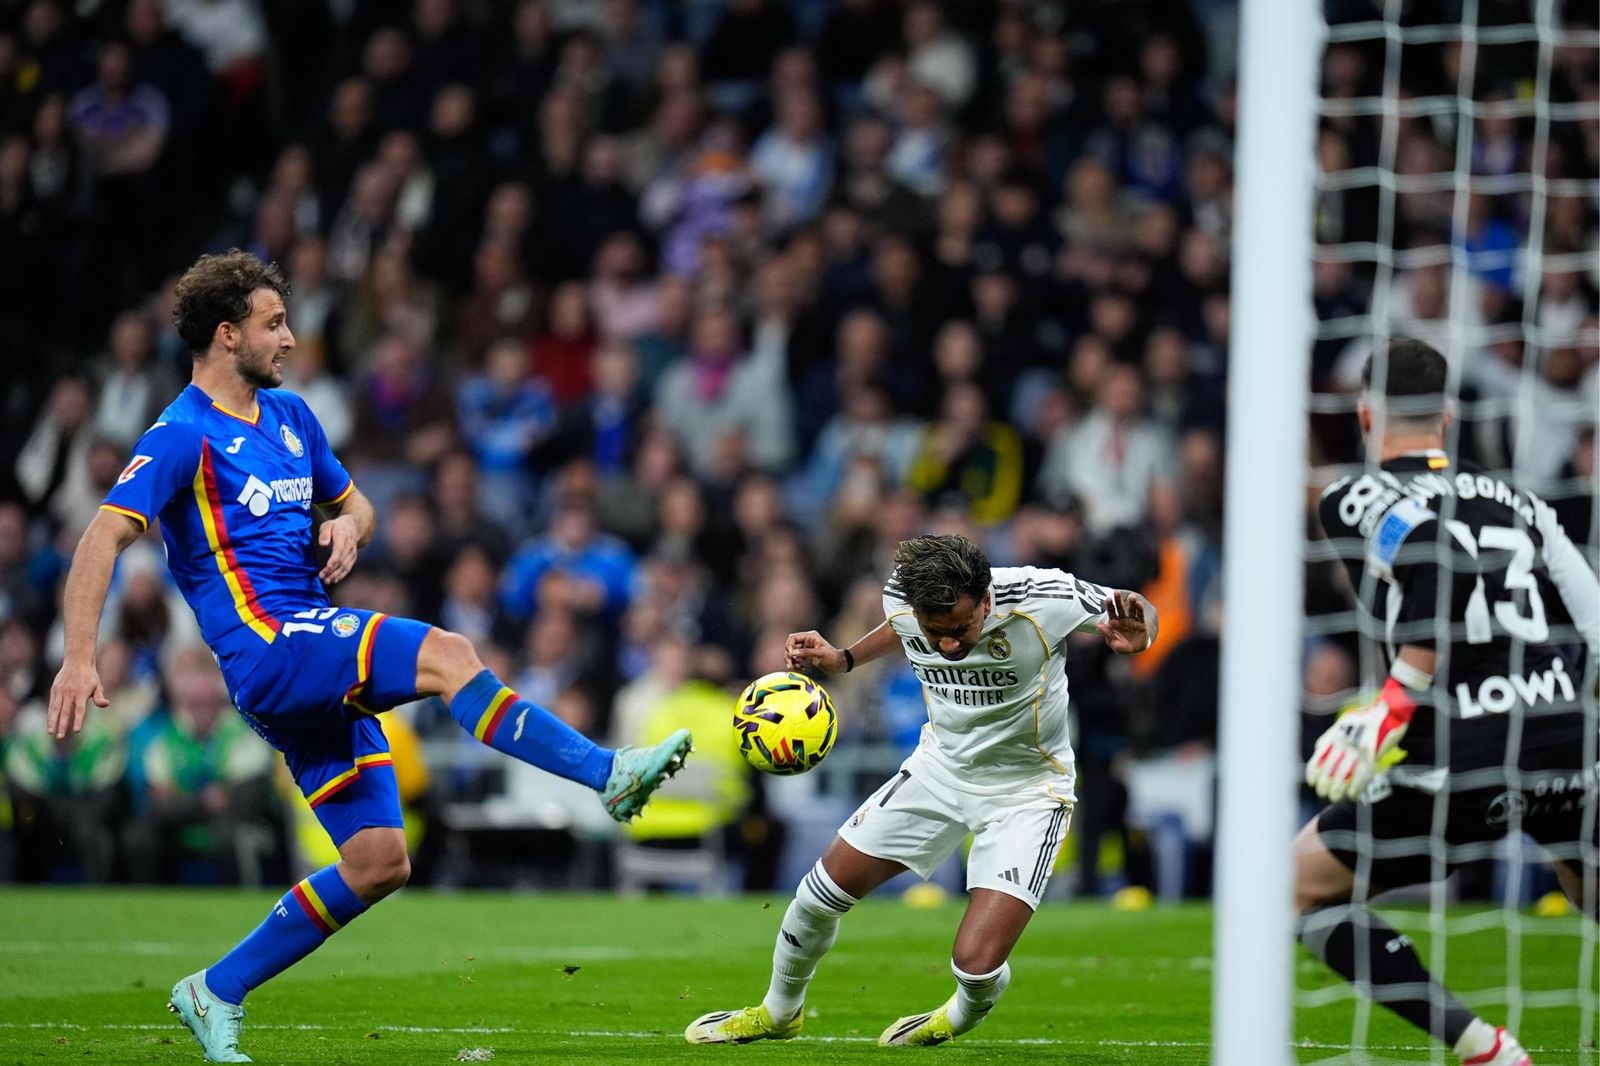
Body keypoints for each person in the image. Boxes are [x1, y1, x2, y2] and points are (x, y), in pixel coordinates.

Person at [46, 250, 693, 1063]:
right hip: (272, 649)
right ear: (225, 334)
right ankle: (610, 774)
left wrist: (349, 527)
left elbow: (359, 507)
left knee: (381, 861)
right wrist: (78, 657)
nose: (288, 338)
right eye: (273, 322)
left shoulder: (293, 419)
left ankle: (215, 990)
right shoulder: (180, 437)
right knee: (451, 653)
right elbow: (102, 533)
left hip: (313, 650)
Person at [685, 532, 1157, 1046]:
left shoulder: (1045, 596)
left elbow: (1135, 611)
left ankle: (955, 1017)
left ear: (988, 599)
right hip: (940, 771)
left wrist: (1144, 632)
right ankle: (779, 1012)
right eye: (937, 633)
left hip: (1028, 791)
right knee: (817, 895)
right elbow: (900, 627)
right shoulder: (903, 596)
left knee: (975, 966)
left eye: (960, 628)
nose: (949, 645)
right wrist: (844, 658)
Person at [1299, 338, 1599, 1066]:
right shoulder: (1521, 500)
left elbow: (1433, 576)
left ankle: (1484, 1049)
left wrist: (1395, 704)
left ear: (1366, 414)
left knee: (1301, 890)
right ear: (1450, 415)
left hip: (1460, 743)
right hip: (1562, 727)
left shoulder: (1353, 498)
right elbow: (1593, 621)